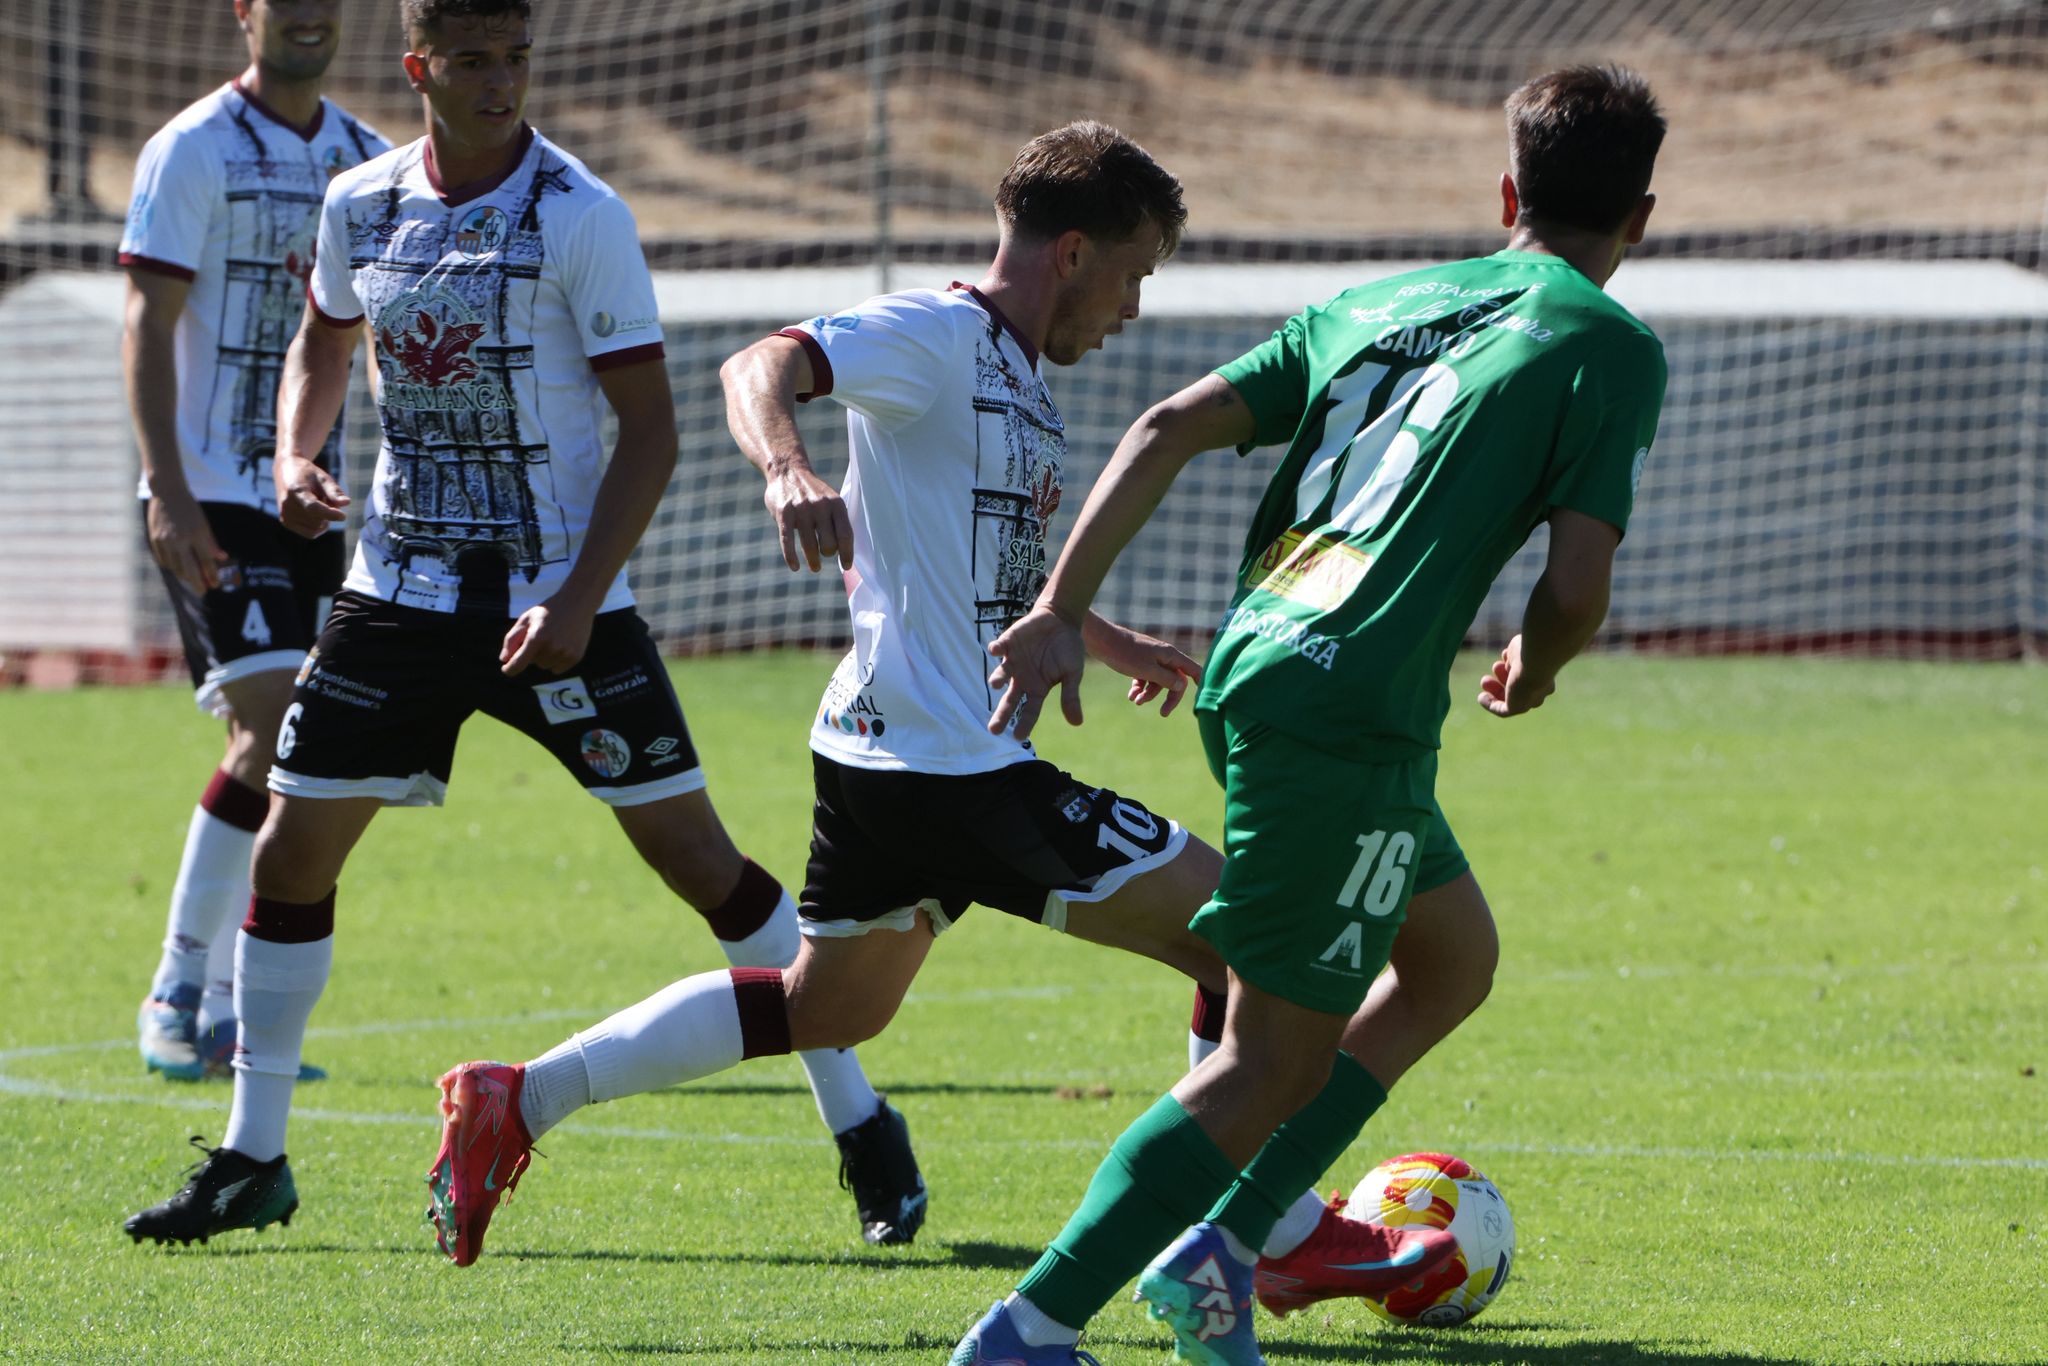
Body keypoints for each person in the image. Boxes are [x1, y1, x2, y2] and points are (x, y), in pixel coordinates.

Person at [416, 121, 1448, 1285]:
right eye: (1132, 273)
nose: (1132, 307)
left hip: (892, 760)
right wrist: (786, 468)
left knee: (826, 1008)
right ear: (1070, 251)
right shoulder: (939, 335)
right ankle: (1271, 1232)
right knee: (1247, 945)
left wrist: (1094, 635)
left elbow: (973, 570)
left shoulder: (1014, 379)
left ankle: (518, 1097)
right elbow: (756, 363)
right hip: (952, 769)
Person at [122, 0, 917, 1254]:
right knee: (289, 860)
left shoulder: (581, 214)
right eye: (474, 62)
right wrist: (292, 452)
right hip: (396, 598)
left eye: (517, 59)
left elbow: (648, 433)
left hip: (564, 600)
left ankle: (860, 1118)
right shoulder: (360, 201)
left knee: (700, 867)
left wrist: (577, 597)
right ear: (420, 68)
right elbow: (321, 339)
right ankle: (251, 1155)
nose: (501, 83)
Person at [953, 64, 1670, 1364]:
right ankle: (1032, 1326)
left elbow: (1167, 422)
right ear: (1644, 219)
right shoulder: (1602, 343)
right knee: (1267, 1058)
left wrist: (1065, 603)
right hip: (1347, 711)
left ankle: (1220, 1252)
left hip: (1265, 670)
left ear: (1509, 192)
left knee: (1450, 959)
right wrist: (1542, 660)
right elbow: (1575, 582)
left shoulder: (1379, 301)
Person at [121, 0, 386, 1083]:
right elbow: (147, 322)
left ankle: (221, 1005)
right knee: (274, 717)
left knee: (300, 752)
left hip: (306, 495)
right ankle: (181, 986)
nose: (313, 14)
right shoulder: (190, 149)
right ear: (246, 12)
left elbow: (373, 331)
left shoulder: (368, 162)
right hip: (214, 492)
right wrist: (170, 494)